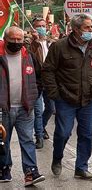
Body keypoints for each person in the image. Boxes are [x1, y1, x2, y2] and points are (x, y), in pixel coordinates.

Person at [42, 14, 92, 180]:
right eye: (87, 28)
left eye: (91, 27)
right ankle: (57, 158)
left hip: (89, 99)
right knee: (63, 133)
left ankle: (81, 167)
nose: (90, 30)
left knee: (86, 134)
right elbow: (48, 70)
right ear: (76, 29)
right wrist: (54, 93)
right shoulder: (59, 46)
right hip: (65, 98)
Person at [0, 26, 45, 186]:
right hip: (3, 109)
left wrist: (33, 98)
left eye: (20, 39)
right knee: (3, 141)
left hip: (25, 108)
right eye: (13, 39)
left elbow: (39, 77)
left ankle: (31, 172)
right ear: (6, 39)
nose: (17, 42)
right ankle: (4, 168)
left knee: (27, 140)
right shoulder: (0, 56)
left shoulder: (29, 56)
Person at [29, 17, 55, 149]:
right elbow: (29, 57)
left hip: (50, 82)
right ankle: (39, 136)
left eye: (43, 26)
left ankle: (42, 127)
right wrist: (34, 41)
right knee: (38, 111)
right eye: (38, 26)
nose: (41, 28)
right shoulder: (30, 43)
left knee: (51, 108)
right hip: (36, 82)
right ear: (33, 28)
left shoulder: (52, 43)